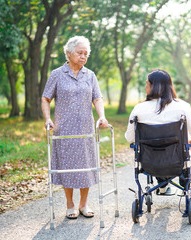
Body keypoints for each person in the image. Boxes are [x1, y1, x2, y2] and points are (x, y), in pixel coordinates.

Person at [41, 36, 108, 219]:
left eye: (86, 53)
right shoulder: (57, 74)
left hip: (86, 128)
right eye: (80, 52)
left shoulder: (90, 75)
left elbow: (97, 98)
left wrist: (101, 116)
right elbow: (46, 98)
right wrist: (48, 119)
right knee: (67, 167)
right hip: (64, 129)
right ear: (69, 53)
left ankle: (84, 204)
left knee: (86, 166)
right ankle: (70, 204)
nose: (83, 56)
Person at [125, 69, 191, 195]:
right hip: (178, 160)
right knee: (182, 149)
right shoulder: (182, 107)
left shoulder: (139, 109)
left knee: (157, 150)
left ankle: (162, 186)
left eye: (147, 84)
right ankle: (185, 185)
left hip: (149, 162)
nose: (145, 87)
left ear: (154, 87)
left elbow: (130, 138)